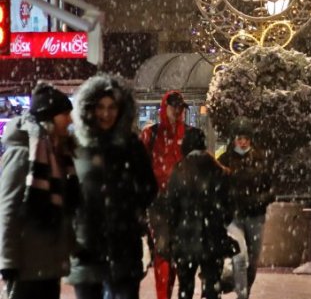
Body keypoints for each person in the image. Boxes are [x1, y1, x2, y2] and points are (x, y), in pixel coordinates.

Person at [68, 75, 157, 299]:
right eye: (100, 107)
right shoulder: (75, 145)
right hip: (86, 245)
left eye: (112, 107)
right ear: (89, 108)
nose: (106, 114)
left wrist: (128, 206)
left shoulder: (131, 146)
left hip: (124, 243)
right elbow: (66, 190)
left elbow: (149, 187)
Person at [0, 82, 79, 299]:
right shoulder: (23, 153)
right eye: (65, 114)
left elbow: (62, 209)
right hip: (27, 268)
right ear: (49, 118)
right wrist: (7, 262)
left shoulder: (57, 155)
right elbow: (8, 210)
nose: (70, 120)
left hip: (48, 265)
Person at [140, 91, 199, 299]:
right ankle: (163, 295)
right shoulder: (151, 134)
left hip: (184, 204)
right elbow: (141, 168)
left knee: (179, 253)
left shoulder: (191, 134)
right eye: (173, 106)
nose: (177, 111)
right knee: (163, 249)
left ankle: (173, 293)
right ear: (165, 108)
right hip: (159, 201)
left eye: (180, 107)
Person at [164, 129, 235, 299]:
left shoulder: (179, 171)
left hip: (186, 238)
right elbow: (229, 206)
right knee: (212, 286)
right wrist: (219, 223)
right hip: (213, 238)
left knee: (185, 287)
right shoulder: (218, 170)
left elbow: (171, 208)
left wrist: (173, 233)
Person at [217, 118, 274, 299]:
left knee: (253, 262)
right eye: (239, 138)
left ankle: (243, 290)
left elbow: (272, 187)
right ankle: (242, 295)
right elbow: (217, 187)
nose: (243, 142)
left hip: (256, 216)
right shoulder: (224, 159)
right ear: (234, 139)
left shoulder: (261, 158)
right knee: (240, 258)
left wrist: (260, 200)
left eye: (246, 138)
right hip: (234, 217)